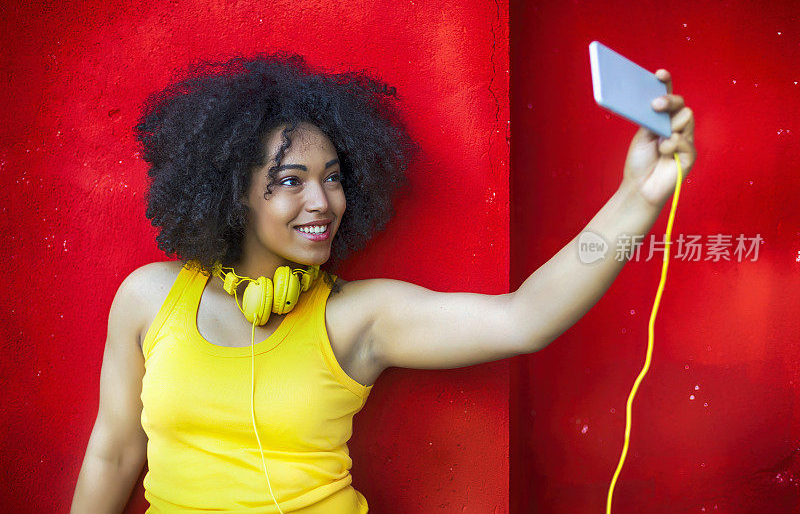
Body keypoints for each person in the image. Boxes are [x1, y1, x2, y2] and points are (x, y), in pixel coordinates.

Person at [70, 52, 696, 513]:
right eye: (291, 180)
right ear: (234, 191)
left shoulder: (356, 317)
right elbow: (114, 454)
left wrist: (637, 198)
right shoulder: (150, 298)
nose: (322, 201)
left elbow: (525, 317)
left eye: (334, 177)